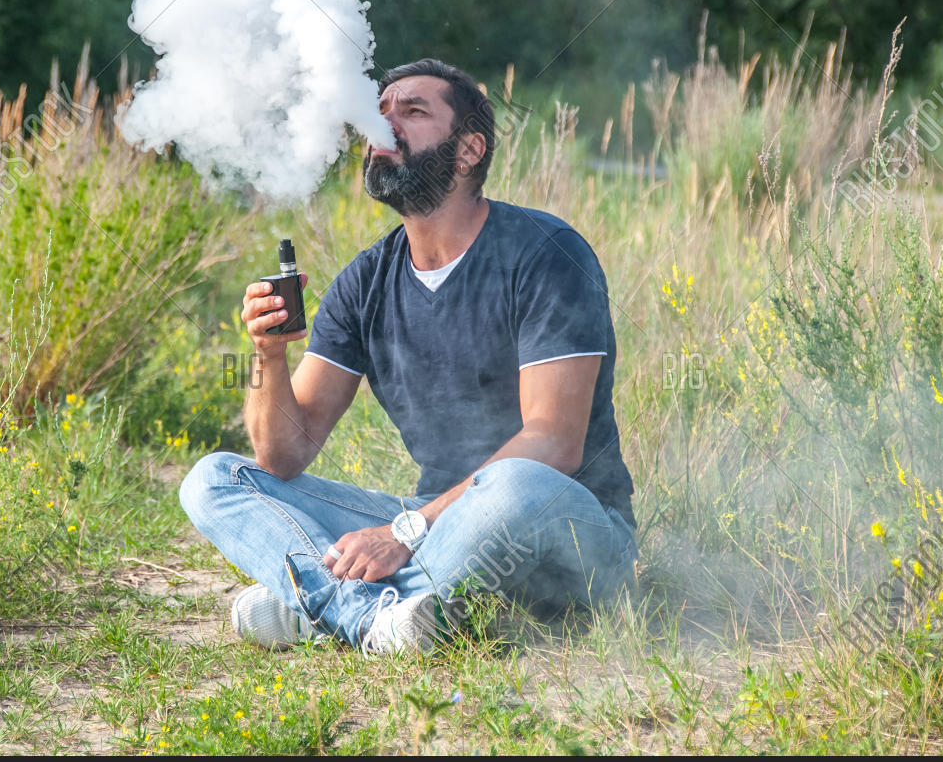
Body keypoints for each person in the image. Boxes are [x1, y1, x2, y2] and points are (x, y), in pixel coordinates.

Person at [179, 58, 637, 654]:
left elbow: (553, 444)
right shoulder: (363, 281)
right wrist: (266, 356)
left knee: (515, 483)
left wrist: (405, 532)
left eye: (412, 111)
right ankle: (375, 615)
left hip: (568, 534)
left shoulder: (546, 253)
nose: (383, 123)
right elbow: (284, 454)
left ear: (470, 149)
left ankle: (316, 606)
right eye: (380, 110)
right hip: (436, 526)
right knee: (214, 478)